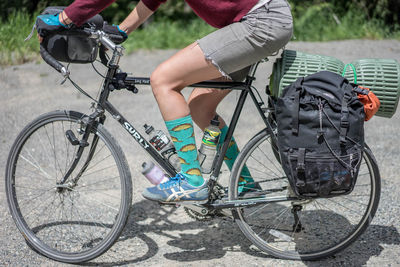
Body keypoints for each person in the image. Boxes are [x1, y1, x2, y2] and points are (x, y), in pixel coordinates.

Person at [36, 0, 293, 204]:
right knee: (200, 107)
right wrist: (122, 31)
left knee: (163, 80)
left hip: (259, 21)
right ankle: (246, 185)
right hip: (262, 20)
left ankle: (191, 181)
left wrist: (62, 19)